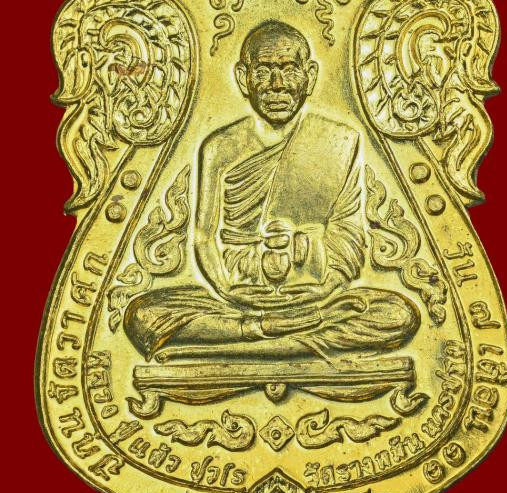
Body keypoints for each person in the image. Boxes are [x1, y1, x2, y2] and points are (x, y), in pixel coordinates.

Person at [124, 20, 420, 361]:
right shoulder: (220, 147)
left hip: (317, 297)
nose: (277, 85)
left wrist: (325, 287)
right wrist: (228, 290)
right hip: (238, 297)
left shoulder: (339, 140)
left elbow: (348, 234)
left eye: (289, 70)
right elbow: (204, 237)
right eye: (263, 71)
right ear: (243, 78)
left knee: (397, 314)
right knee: (144, 316)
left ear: (309, 76)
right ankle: (274, 336)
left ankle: (248, 341)